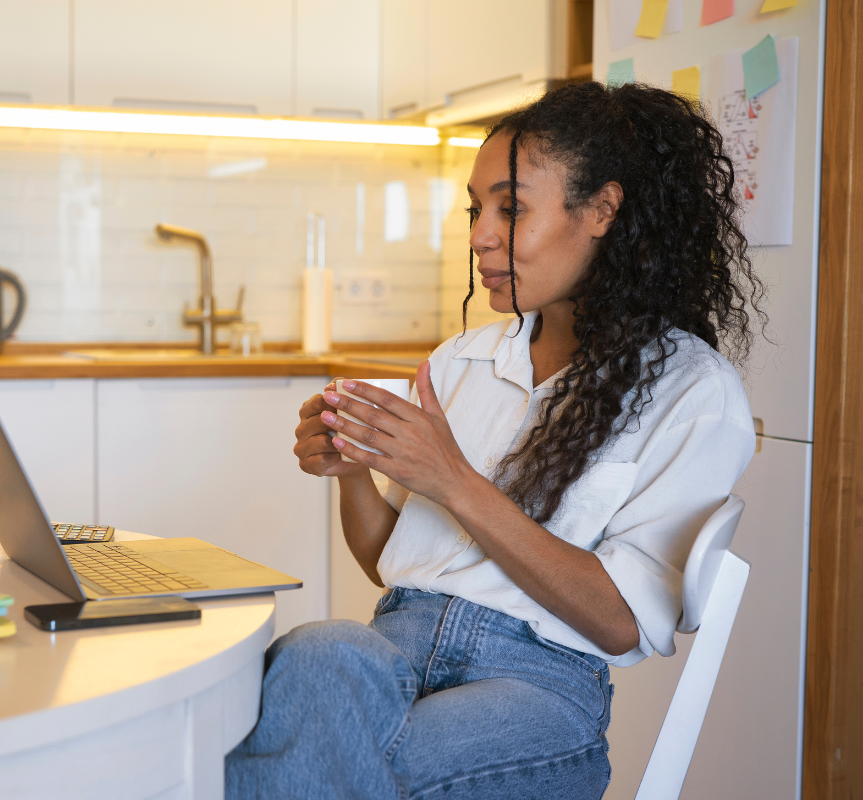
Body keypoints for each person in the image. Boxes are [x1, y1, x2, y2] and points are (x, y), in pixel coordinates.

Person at [224, 81, 766, 800]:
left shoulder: (693, 392)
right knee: (313, 654)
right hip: (395, 647)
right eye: (477, 210)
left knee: (298, 752)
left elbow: (618, 620)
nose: (480, 233)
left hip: (537, 689)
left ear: (602, 210)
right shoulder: (460, 362)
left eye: (511, 208)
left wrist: (454, 480)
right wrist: (352, 472)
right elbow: (391, 563)